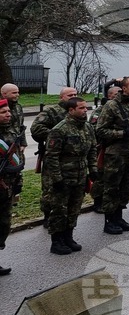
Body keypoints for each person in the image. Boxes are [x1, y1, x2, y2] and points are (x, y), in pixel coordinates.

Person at [43, 96, 96, 255]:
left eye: (86, 108)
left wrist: (92, 169)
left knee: (74, 208)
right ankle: (57, 241)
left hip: (80, 176)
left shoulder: (87, 127)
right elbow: (51, 157)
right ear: (71, 110)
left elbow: (93, 149)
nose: (85, 110)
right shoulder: (60, 129)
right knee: (60, 209)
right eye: (81, 108)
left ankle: (68, 237)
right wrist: (57, 179)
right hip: (64, 177)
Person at [95, 76, 129, 235]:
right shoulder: (112, 106)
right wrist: (121, 133)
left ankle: (119, 216)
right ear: (124, 88)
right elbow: (100, 131)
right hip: (115, 155)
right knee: (112, 188)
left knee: (126, 187)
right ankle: (109, 220)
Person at [31, 86, 77, 226]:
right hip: (54, 155)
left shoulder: (76, 111)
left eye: (75, 94)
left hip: (72, 158)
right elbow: (36, 128)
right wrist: (56, 135)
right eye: (70, 95)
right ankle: (47, 215)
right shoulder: (52, 111)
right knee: (50, 187)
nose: (73, 97)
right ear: (61, 97)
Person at [0, 98, 25, 275]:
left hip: (7, 185)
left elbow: (17, 159)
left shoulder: (11, 132)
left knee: (3, 223)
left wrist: (17, 184)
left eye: (8, 111)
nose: (9, 114)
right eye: (3, 112)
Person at [0, 84, 26, 150]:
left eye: (18, 92)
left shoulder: (18, 107)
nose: (17, 95)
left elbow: (21, 126)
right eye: (14, 93)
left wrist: (23, 143)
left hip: (16, 145)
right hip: (3, 145)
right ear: (4, 94)